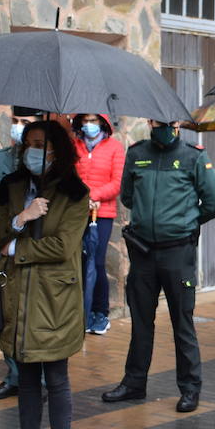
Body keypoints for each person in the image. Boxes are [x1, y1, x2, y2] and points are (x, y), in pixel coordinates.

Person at [0, 120, 90, 429]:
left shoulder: (76, 194)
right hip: (17, 297)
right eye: (28, 144)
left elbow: (62, 248)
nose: (33, 150)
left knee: (56, 379)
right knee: (26, 379)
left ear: (57, 150)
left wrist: (15, 250)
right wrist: (21, 218)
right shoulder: (10, 186)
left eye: (41, 145)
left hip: (55, 300)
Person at [102, 120, 215, 412]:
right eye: (157, 122)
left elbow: (214, 202)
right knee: (141, 322)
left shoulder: (194, 156)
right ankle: (134, 383)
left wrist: (185, 223)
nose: (162, 126)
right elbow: (128, 196)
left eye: (167, 122)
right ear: (149, 122)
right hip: (143, 252)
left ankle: (190, 388)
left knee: (182, 322)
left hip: (177, 253)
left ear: (178, 124)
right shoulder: (136, 153)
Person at [0, 107, 46, 400]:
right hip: (4, 250)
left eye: (26, 123)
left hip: (38, 252)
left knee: (35, 317)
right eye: (16, 122)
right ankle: (14, 376)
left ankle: (37, 378)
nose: (19, 128)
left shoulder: (50, 165)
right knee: (6, 316)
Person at [71, 112, 123, 336]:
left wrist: (95, 195)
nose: (89, 125)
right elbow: (69, 176)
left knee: (97, 261)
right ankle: (79, 311)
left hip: (101, 213)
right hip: (76, 211)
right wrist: (82, 196)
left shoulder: (114, 148)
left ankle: (100, 312)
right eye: (86, 120)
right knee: (78, 261)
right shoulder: (75, 146)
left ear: (102, 122)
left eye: (93, 121)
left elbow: (117, 182)